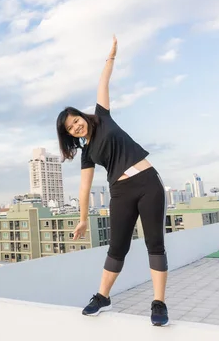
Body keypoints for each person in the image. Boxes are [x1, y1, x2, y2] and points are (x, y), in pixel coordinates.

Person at [56, 35, 169, 327]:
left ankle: (158, 303)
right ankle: (103, 296)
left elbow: (102, 83)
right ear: (70, 134)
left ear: (82, 116)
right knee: (117, 247)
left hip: (148, 183)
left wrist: (111, 57)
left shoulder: (102, 117)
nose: (77, 126)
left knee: (155, 243)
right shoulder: (86, 153)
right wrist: (82, 219)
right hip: (120, 192)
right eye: (71, 128)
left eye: (76, 120)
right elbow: (84, 189)